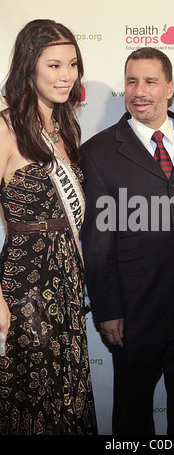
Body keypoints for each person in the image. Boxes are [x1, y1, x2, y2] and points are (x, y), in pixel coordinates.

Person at [80, 47, 174, 435]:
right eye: (131, 81)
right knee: (132, 417)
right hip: (135, 313)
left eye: (150, 81)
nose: (139, 91)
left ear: (169, 88)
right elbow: (98, 241)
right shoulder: (98, 151)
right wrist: (107, 309)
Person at [0, 19, 97, 435]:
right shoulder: (5, 128)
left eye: (72, 64)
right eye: (54, 65)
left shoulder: (65, 127)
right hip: (24, 286)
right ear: (29, 69)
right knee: (35, 396)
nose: (66, 75)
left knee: (67, 393)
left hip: (67, 283)